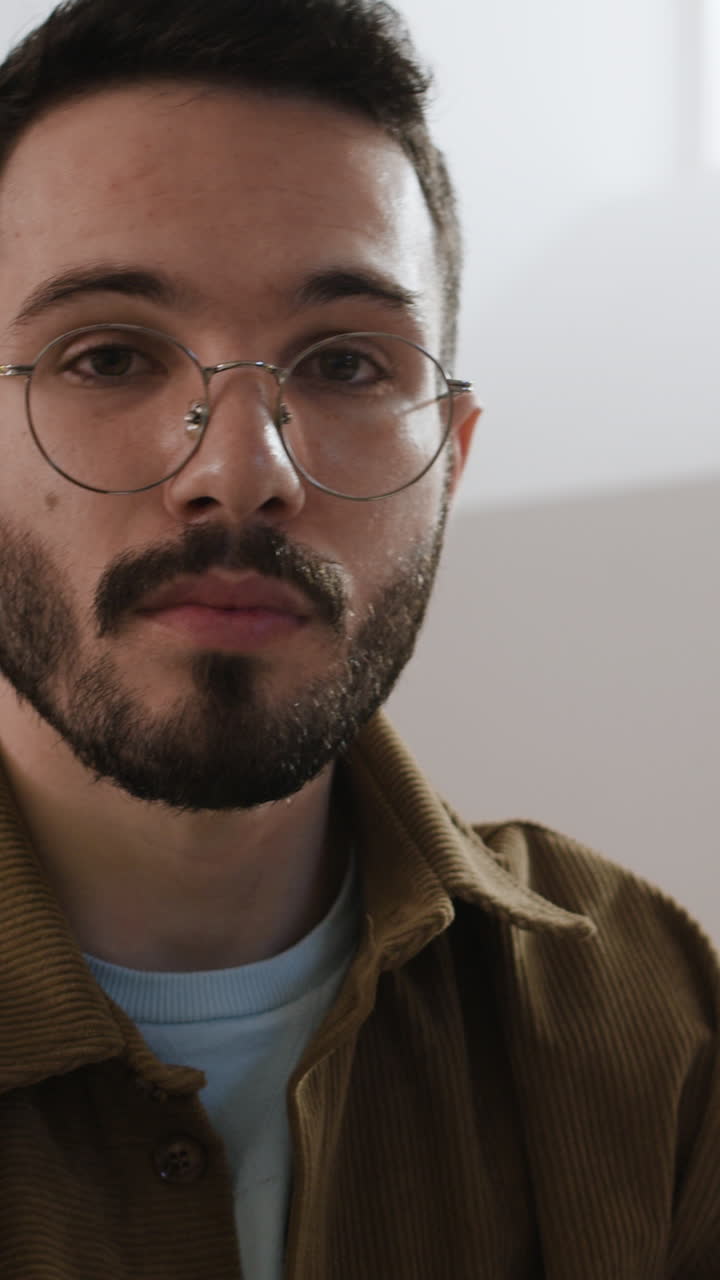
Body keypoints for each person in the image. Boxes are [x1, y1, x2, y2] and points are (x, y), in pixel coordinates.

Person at [0, 0, 716, 1276]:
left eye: (343, 364)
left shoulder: (654, 1011)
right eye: (108, 355)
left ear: (453, 459)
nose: (239, 470)